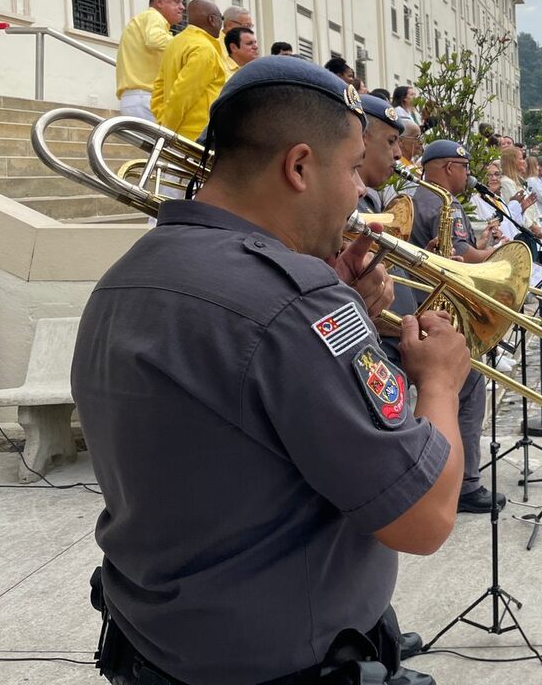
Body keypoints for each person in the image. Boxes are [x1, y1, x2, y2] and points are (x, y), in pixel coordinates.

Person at [72, 57, 471, 684]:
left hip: (158, 644)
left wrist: (342, 315)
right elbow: (424, 519)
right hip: (284, 664)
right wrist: (440, 381)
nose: (357, 195)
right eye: (351, 169)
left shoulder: (125, 275)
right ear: (299, 166)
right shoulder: (298, 300)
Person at [408, 139, 505, 515]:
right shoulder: (442, 203)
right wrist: (504, 258)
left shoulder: (416, 198)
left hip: (422, 309)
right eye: (464, 167)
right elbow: (465, 257)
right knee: (469, 392)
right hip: (439, 315)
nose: (468, 174)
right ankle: (465, 484)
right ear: (449, 168)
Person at [150, 0, 227, 141]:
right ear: (212, 20)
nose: (221, 25)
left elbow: (158, 88)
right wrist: (167, 130)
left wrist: (162, 120)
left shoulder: (175, 42)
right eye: (221, 18)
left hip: (177, 131)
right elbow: (182, 94)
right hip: (195, 135)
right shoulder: (204, 49)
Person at [117, 0, 184, 121]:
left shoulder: (144, 21)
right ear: (159, 2)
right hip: (146, 98)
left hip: (137, 98)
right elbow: (155, 40)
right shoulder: (154, 16)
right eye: (176, 1)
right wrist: (188, 44)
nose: (182, 7)